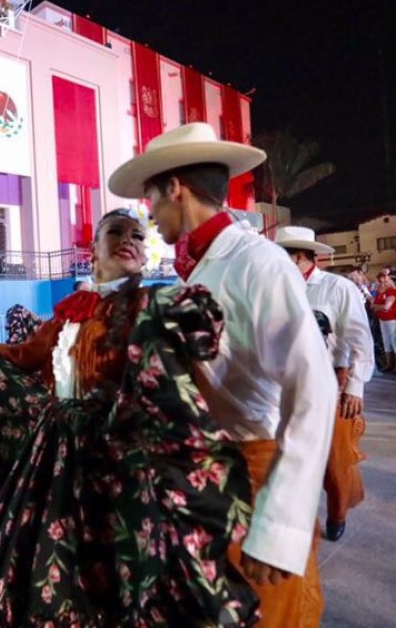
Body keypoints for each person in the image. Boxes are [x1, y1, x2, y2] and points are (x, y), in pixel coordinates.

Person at [0, 208, 258, 626]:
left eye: (138, 235)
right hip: (59, 453)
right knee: (60, 555)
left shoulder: (151, 307)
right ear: (93, 252)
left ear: (144, 256)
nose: (128, 239)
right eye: (115, 232)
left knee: (125, 559)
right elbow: (23, 357)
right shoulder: (72, 309)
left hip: (121, 454)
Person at [109, 122, 336, 628]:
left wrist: (280, 525)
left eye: (150, 198)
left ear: (174, 187)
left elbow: (315, 389)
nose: (147, 215)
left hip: (254, 477)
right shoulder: (201, 267)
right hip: (204, 480)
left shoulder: (258, 264)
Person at [276, 226, 374, 543]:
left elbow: (360, 339)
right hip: (284, 382)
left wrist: (355, 386)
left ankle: (337, 512)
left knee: (334, 458)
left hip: (331, 380)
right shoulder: (275, 289)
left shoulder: (337, 288)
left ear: (302, 257)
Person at [374, 269, 396, 373]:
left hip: (394, 319)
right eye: (381, 281)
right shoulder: (379, 291)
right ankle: (388, 364)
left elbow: (387, 306)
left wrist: (377, 306)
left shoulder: (392, 291)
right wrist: (378, 307)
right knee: (386, 341)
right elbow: (373, 305)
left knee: (395, 341)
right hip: (383, 319)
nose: (384, 284)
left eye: (386, 281)